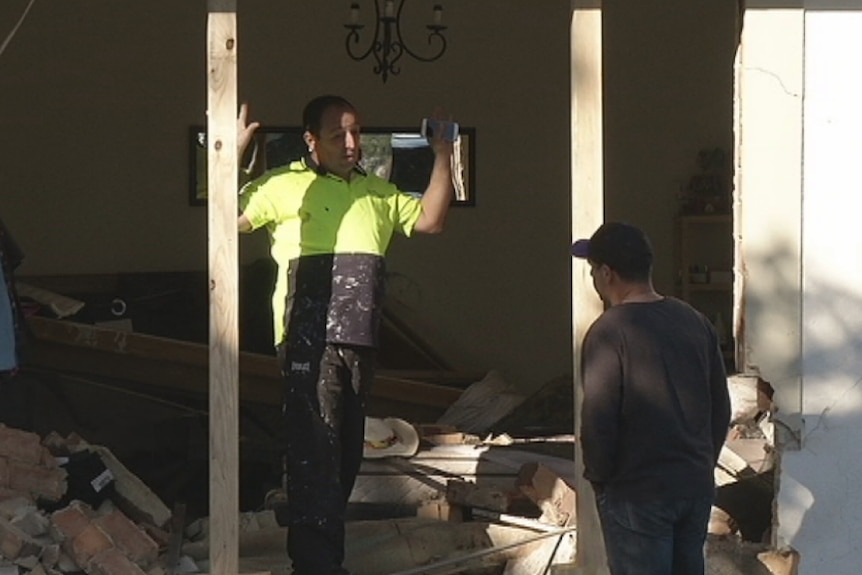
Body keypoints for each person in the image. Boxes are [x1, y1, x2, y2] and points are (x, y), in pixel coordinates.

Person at [236, 95, 455, 575]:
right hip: (306, 339)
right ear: (311, 140)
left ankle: (324, 561)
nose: (351, 144)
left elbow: (431, 220)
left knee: (344, 458)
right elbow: (225, 224)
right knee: (314, 456)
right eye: (338, 135)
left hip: (359, 336)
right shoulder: (281, 186)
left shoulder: (377, 192)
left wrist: (443, 155)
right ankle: (315, 567)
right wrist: (228, 159)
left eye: (356, 132)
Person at [571, 222, 731, 575]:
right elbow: (721, 410)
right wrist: (702, 463)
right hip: (693, 487)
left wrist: (600, 478)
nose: (594, 280)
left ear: (607, 273)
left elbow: (599, 421)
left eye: (593, 270)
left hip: (636, 493)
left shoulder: (609, 332)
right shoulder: (696, 322)